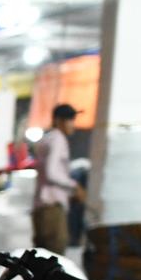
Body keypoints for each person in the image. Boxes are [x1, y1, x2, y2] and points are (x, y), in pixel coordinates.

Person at [33, 104, 82, 253]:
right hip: (52, 207)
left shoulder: (46, 139)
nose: (73, 124)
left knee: (40, 258)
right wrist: (74, 186)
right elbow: (52, 173)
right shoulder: (58, 139)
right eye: (70, 120)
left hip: (41, 207)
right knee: (54, 256)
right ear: (58, 120)